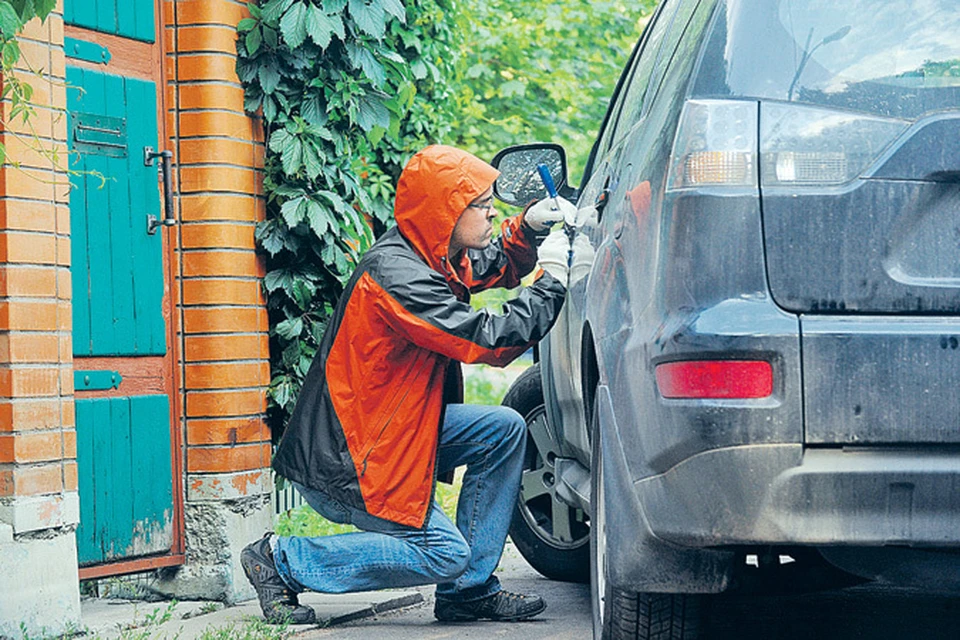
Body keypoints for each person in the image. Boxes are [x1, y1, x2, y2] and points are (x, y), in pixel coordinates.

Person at [241, 145, 576, 625]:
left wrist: (528, 228)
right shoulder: (396, 277)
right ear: (445, 213)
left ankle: (468, 592)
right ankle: (281, 560)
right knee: (443, 553)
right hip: (354, 458)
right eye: (481, 206)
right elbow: (487, 341)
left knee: (503, 429)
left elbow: (490, 264)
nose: (491, 213)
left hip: (393, 431)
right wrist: (552, 283)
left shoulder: (432, 252)